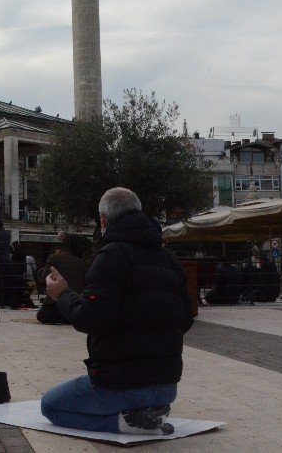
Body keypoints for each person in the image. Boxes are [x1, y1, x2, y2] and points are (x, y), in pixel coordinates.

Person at [41, 187, 193, 436]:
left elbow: (91, 319)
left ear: (103, 221)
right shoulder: (168, 258)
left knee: (51, 406)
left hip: (122, 385)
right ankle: (147, 412)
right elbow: (186, 319)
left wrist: (62, 295)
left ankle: (126, 422)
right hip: (166, 386)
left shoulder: (110, 257)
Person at [37, 243, 87, 324]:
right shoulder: (80, 262)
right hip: (75, 299)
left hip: (56, 300)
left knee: (42, 315)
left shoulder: (54, 257)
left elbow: (44, 276)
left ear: (58, 250)